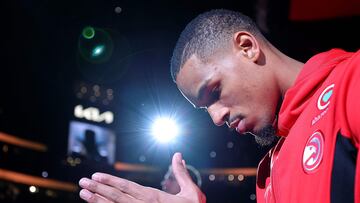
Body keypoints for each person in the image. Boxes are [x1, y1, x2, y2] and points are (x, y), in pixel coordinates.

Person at [78, 9, 360, 203]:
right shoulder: (269, 168)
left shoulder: (351, 80)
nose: (216, 117)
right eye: (204, 109)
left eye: (214, 91)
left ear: (247, 47)